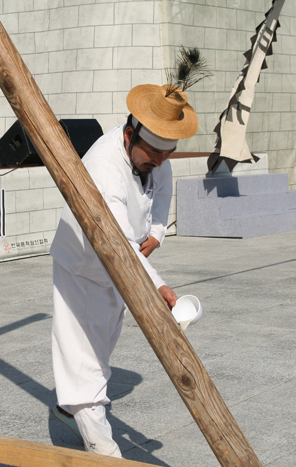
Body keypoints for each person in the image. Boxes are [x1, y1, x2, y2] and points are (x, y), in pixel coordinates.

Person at [48, 82, 189, 457]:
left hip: (124, 269)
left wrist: (157, 231)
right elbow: (116, 241)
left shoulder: (155, 155)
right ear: (130, 134)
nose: (160, 162)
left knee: (99, 353)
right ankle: (105, 453)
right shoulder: (102, 166)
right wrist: (155, 285)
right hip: (83, 267)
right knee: (85, 366)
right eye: (154, 154)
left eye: (167, 154)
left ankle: (67, 409)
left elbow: (162, 192)